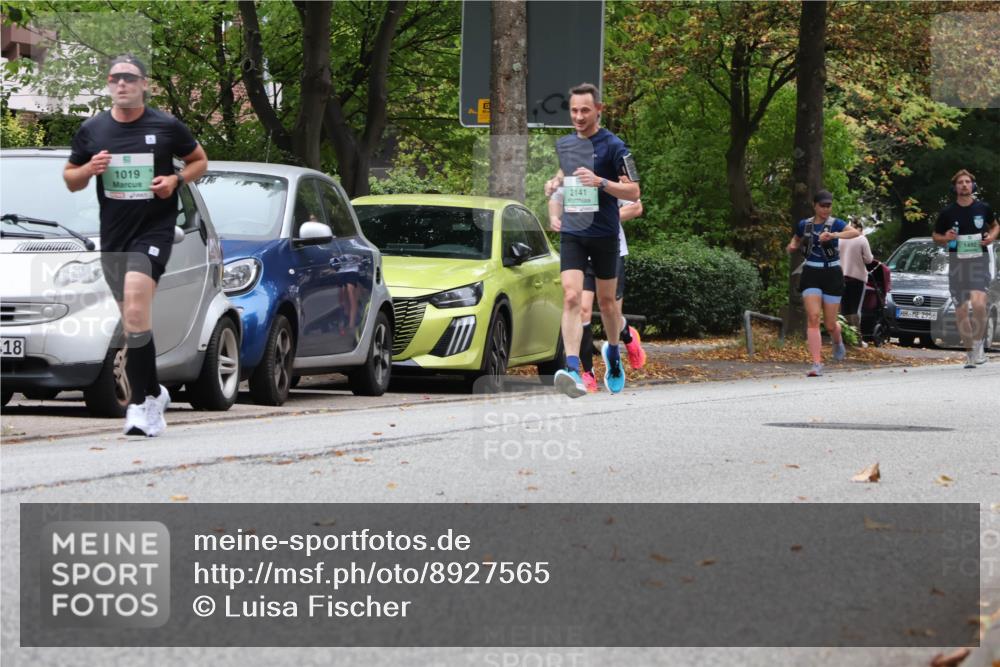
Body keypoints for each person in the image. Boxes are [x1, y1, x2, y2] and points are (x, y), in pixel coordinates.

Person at [64, 55, 208, 436]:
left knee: (135, 303)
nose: (122, 84)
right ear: (108, 84)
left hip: (154, 231)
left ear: (145, 84)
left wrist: (175, 181)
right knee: (133, 322)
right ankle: (157, 391)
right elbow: (71, 179)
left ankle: (141, 405)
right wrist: (89, 169)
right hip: (115, 236)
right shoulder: (93, 130)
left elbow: (199, 161)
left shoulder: (166, 126)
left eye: (129, 77)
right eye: (115, 78)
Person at [543, 82, 640, 397]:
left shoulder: (615, 146)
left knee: (607, 303)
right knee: (571, 297)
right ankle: (572, 367)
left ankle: (613, 353)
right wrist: (553, 186)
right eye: (574, 111)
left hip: (604, 234)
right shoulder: (566, 145)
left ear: (598, 110)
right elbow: (564, 177)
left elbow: (634, 191)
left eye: (585, 110)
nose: (579, 116)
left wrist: (601, 182)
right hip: (574, 232)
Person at [548, 192, 646, 392]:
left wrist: (603, 218)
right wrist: (554, 216)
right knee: (581, 309)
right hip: (581, 252)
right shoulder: (571, 175)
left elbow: (636, 207)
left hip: (609, 249)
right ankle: (586, 372)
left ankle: (627, 334)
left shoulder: (611, 177)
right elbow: (556, 198)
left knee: (610, 310)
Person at [786, 190, 860, 377]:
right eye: (822, 206)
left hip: (832, 274)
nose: (826, 209)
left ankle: (837, 340)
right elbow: (796, 238)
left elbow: (854, 232)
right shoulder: (805, 224)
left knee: (830, 324)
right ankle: (816, 363)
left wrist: (834, 235)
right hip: (811, 273)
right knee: (813, 317)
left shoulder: (836, 223)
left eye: (829, 206)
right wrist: (792, 245)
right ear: (815, 205)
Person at [932, 169, 999, 368]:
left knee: (978, 304)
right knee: (961, 311)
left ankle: (978, 346)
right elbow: (935, 236)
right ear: (955, 187)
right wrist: (946, 238)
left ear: (973, 185)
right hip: (957, 265)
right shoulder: (947, 212)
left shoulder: (983, 208)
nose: (964, 185)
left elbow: (995, 226)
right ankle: (969, 353)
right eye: (960, 182)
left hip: (979, 262)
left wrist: (991, 237)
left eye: (967, 182)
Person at [838, 218, 873, 330]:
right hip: (857, 279)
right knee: (855, 309)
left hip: (841, 277)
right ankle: (856, 335)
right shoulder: (862, 239)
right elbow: (869, 260)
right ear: (860, 228)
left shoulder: (840, 238)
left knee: (844, 309)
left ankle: (844, 334)